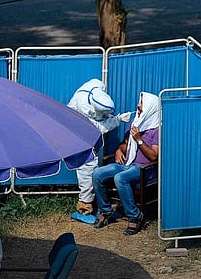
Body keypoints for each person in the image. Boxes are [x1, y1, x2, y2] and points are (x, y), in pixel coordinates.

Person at [92, 91, 159, 235]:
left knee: (120, 178)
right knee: (98, 173)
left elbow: (154, 156)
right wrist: (119, 150)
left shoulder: (156, 129)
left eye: (141, 103)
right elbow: (125, 144)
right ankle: (106, 210)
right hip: (127, 164)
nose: (138, 105)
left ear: (150, 107)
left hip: (144, 169)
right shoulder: (136, 122)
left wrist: (139, 140)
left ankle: (135, 216)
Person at [67, 78, 131, 218]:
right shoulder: (81, 107)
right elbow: (98, 127)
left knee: (94, 169)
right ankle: (85, 205)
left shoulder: (97, 88)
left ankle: (93, 203)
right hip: (80, 137)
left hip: (90, 139)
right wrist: (117, 120)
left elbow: (102, 112)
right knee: (87, 169)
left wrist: (109, 115)